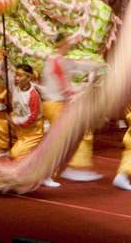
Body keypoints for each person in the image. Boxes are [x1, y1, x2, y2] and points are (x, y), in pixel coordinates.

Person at [40, 36, 105, 182]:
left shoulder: (55, 60)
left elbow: (77, 66)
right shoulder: (57, 61)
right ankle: (73, 168)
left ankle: (65, 168)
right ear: (61, 44)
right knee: (73, 135)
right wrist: (76, 92)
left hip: (52, 103)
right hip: (56, 104)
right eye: (67, 44)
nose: (69, 46)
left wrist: (96, 65)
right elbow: (64, 84)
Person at [0, 63, 59, 188]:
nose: (16, 78)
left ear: (29, 78)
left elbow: (32, 118)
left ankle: (43, 175)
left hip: (31, 131)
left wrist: (14, 121)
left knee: (16, 154)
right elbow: (0, 74)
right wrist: (4, 62)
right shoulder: (15, 87)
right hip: (17, 127)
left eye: (20, 75)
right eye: (16, 75)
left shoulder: (33, 95)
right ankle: (4, 149)